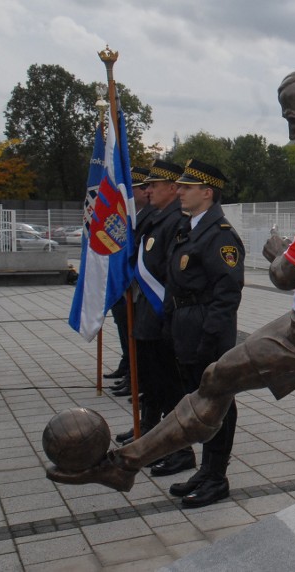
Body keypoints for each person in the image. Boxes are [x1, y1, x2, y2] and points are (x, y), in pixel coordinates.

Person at [47, 66, 295, 542]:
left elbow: (287, 274)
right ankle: (125, 465)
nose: (290, 133)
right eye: (286, 120)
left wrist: (277, 252)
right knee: (219, 376)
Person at [164, 159, 244, 508]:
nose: (178, 191)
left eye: (186, 187)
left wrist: (207, 338)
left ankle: (216, 477)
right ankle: (206, 470)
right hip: (186, 327)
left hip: (206, 333)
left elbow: (226, 295)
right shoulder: (190, 229)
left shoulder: (220, 236)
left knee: (218, 405)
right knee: (200, 404)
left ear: (206, 193)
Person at [117, 160, 193, 481]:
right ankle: (148, 433)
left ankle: (180, 450)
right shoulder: (158, 218)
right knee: (152, 382)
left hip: (161, 318)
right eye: (146, 185)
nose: (147, 190)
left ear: (172, 188)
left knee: (170, 388)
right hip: (147, 315)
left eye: (154, 185)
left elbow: (171, 274)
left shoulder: (176, 222)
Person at [106, 166, 151, 387]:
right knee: (125, 328)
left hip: (140, 289)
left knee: (137, 334)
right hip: (124, 284)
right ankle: (129, 368)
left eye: (132, 189)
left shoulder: (150, 217)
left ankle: (137, 375)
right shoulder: (128, 216)